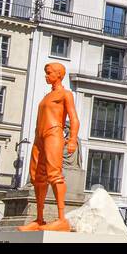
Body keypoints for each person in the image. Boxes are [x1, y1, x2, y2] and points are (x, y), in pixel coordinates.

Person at [19, 62, 79, 231]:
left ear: (59, 74)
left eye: (49, 72)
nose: (46, 75)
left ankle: (62, 219)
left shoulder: (66, 94)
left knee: (54, 174)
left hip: (54, 133)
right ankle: (39, 219)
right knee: (37, 176)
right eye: (46, 72)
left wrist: (72, 139)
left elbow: (74, 118)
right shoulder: (46, 96)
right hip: (40, 135)